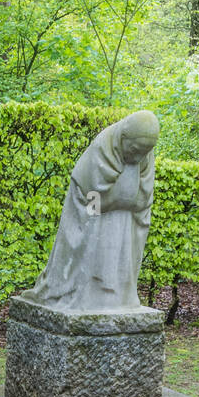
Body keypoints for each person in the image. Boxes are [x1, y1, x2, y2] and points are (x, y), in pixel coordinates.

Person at [26, 110, 159, 312]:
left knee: (120, 254)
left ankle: (117, 295)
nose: (139, 156)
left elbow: (143, 200)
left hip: (125, 223)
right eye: (136, 149)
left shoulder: (145, 156)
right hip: (97, 219)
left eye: (145, 151)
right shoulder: (102, 148)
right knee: (99, 247)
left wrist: (129, 199)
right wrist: (117, 199)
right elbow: (90, 201)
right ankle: (93, 292)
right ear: (124, 138)